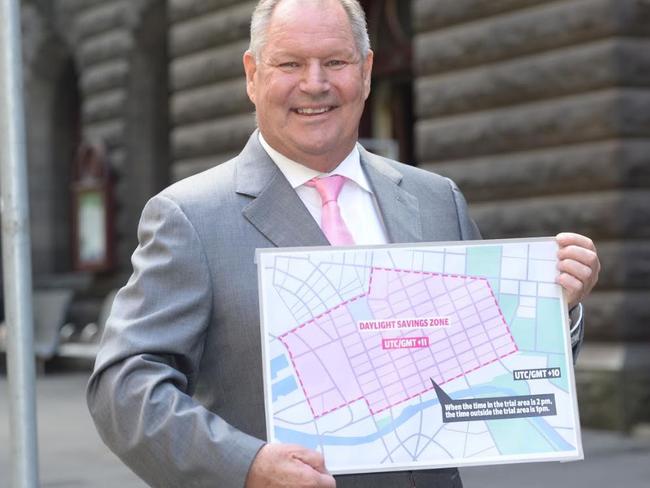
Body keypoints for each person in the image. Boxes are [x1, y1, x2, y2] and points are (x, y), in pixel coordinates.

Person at [87, 0, 600, 487]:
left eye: (335, 61)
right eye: (290, 64)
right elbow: (125, 386)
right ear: (252, 74)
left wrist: (555, 311)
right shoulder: (190, 218)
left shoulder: (435, 199)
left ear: (367, 70)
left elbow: (493, 364)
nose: (315, 85)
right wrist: (244, 466)